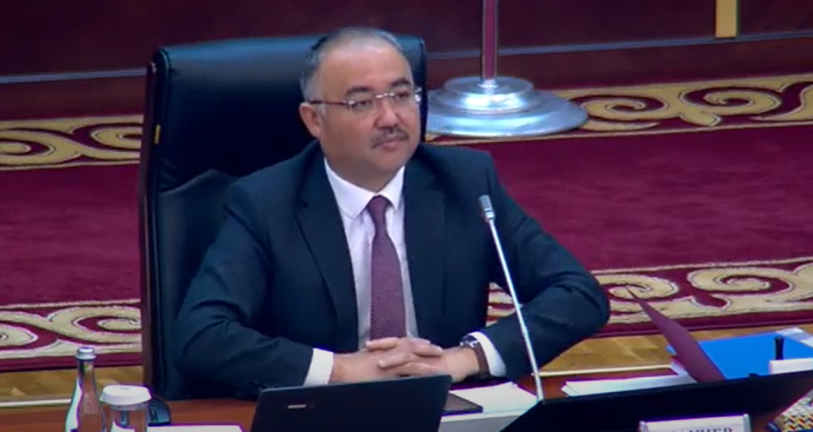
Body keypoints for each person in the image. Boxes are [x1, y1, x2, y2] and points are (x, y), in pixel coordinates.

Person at [173, 27, 610, 398]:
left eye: (402, 95)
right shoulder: (265, 202)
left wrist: (464, 358)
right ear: (314, 120)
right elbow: (202, 336)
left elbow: (578, 295)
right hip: (324, 414)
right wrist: (341, 369)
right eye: (362, 103)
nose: (390, 117)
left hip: (444, 410)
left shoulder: (465, 182)